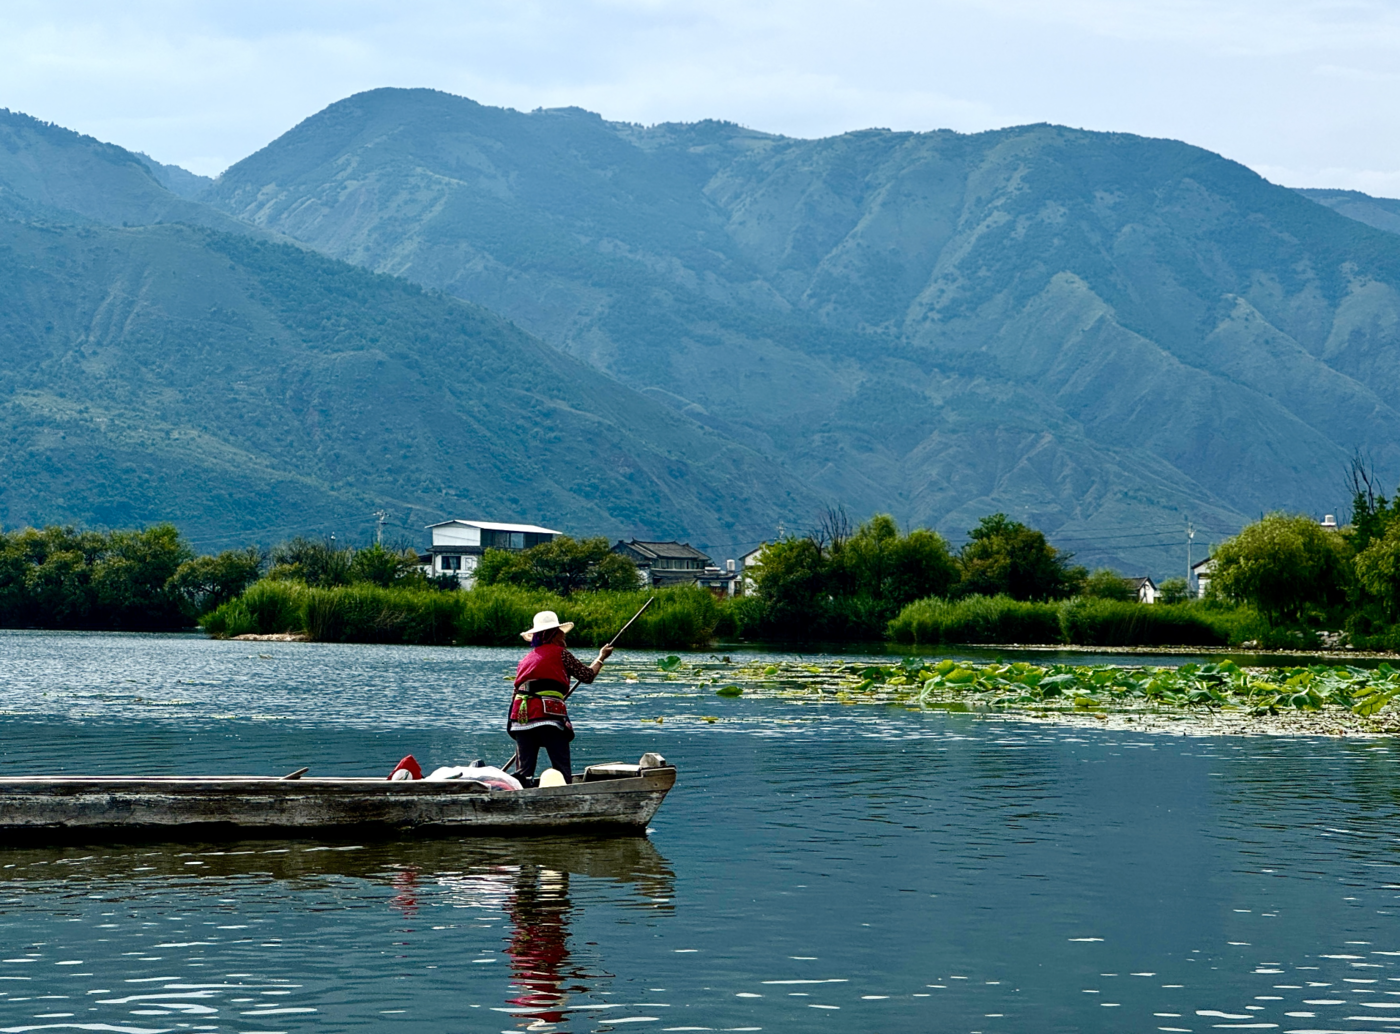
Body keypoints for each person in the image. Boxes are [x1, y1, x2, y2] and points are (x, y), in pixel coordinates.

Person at [508, 610, 613, 785]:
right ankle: (565, 789)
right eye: (560, 632)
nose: (564, 636)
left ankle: (520, 790)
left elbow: (516, 691)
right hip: (548, 714)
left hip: (521, 716)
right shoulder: (560, 653)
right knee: (561, 766)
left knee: (524, 771)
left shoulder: (526, 659)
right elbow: (587, 675)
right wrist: (601, 657)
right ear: (552, 635)